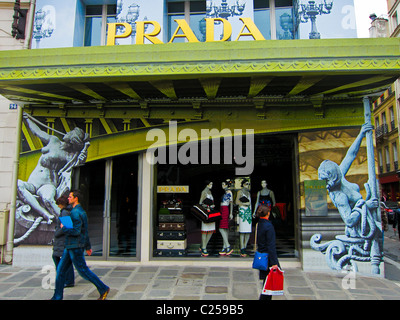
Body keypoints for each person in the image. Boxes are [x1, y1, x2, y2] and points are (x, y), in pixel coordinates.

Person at [17, 112, 90, 224]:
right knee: (18, 184)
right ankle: (45, 214)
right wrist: (27, 119)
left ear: (73, 140)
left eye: (71, 133)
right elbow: (37, 132)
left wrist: (84, 150)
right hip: (33, 182)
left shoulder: (68, 156)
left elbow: (78, 163)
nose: (68, 132)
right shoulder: (54, 140)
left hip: (48, 184)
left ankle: (68, 225)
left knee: (48, 199)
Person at [51, 190, 110, 300]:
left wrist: (64, 228)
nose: (68, 199)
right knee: (60, 271)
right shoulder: (79, 211)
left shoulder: (75, 213)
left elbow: (76, 231)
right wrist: (88, 246)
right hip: (70, 246)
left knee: (83, 271)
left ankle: (103, 288)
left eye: (70, 197)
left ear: (75, 198)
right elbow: (85, 230)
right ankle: (57, 297)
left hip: (74, 246)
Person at [255, 204, 279, 301]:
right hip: (268, 257)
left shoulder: (259, 224)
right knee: (268, 284)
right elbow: (271, 246)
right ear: (268, 213)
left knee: (267, 283)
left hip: (262, 255)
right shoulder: (268, 226)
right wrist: (274, 263)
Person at [52, 195, 74, 287]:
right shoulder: (67, 212)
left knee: (60, 260)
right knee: (64, 260)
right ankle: (67, 279)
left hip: (62, 240)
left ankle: (67, 279)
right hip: (63, 240)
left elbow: (67, 226)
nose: (58, 206)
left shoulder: (64, 212)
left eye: (59, 204)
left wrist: (57, 232)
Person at [199, 181, 216, 257]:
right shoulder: (204, 192)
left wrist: (212, 206)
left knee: (211, 230)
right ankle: (204, 247)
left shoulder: (210, 192)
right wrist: (206, 207)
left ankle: (203, 245)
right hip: (206, 212)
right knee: (205, 230)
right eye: (210, 184)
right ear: (207, 184)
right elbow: (200, 203)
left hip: (211, 212)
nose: (211, 185)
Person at [236, 179, 252, 257]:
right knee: (242, 231)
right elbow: (237, 202)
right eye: (246, 184)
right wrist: (244, 203)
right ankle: (242, 247)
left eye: (248, 184)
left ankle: (244, 246)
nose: (247, 185)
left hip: (248, 212)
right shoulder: (240, 192)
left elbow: (250, 203)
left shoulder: (248, 193)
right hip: (242, 211)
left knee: (248, 231)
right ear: (243, 184)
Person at [219, 180, 233, 256]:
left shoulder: (229, 192)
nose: (223, 186)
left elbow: (231, 203)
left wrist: (231, 212)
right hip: (221, 209)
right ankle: (224, 247)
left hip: (225, 209)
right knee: (224, 228)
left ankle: (227, 245)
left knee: (221, 228)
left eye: (224, 184)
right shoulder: (223, 192)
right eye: (222, 184)